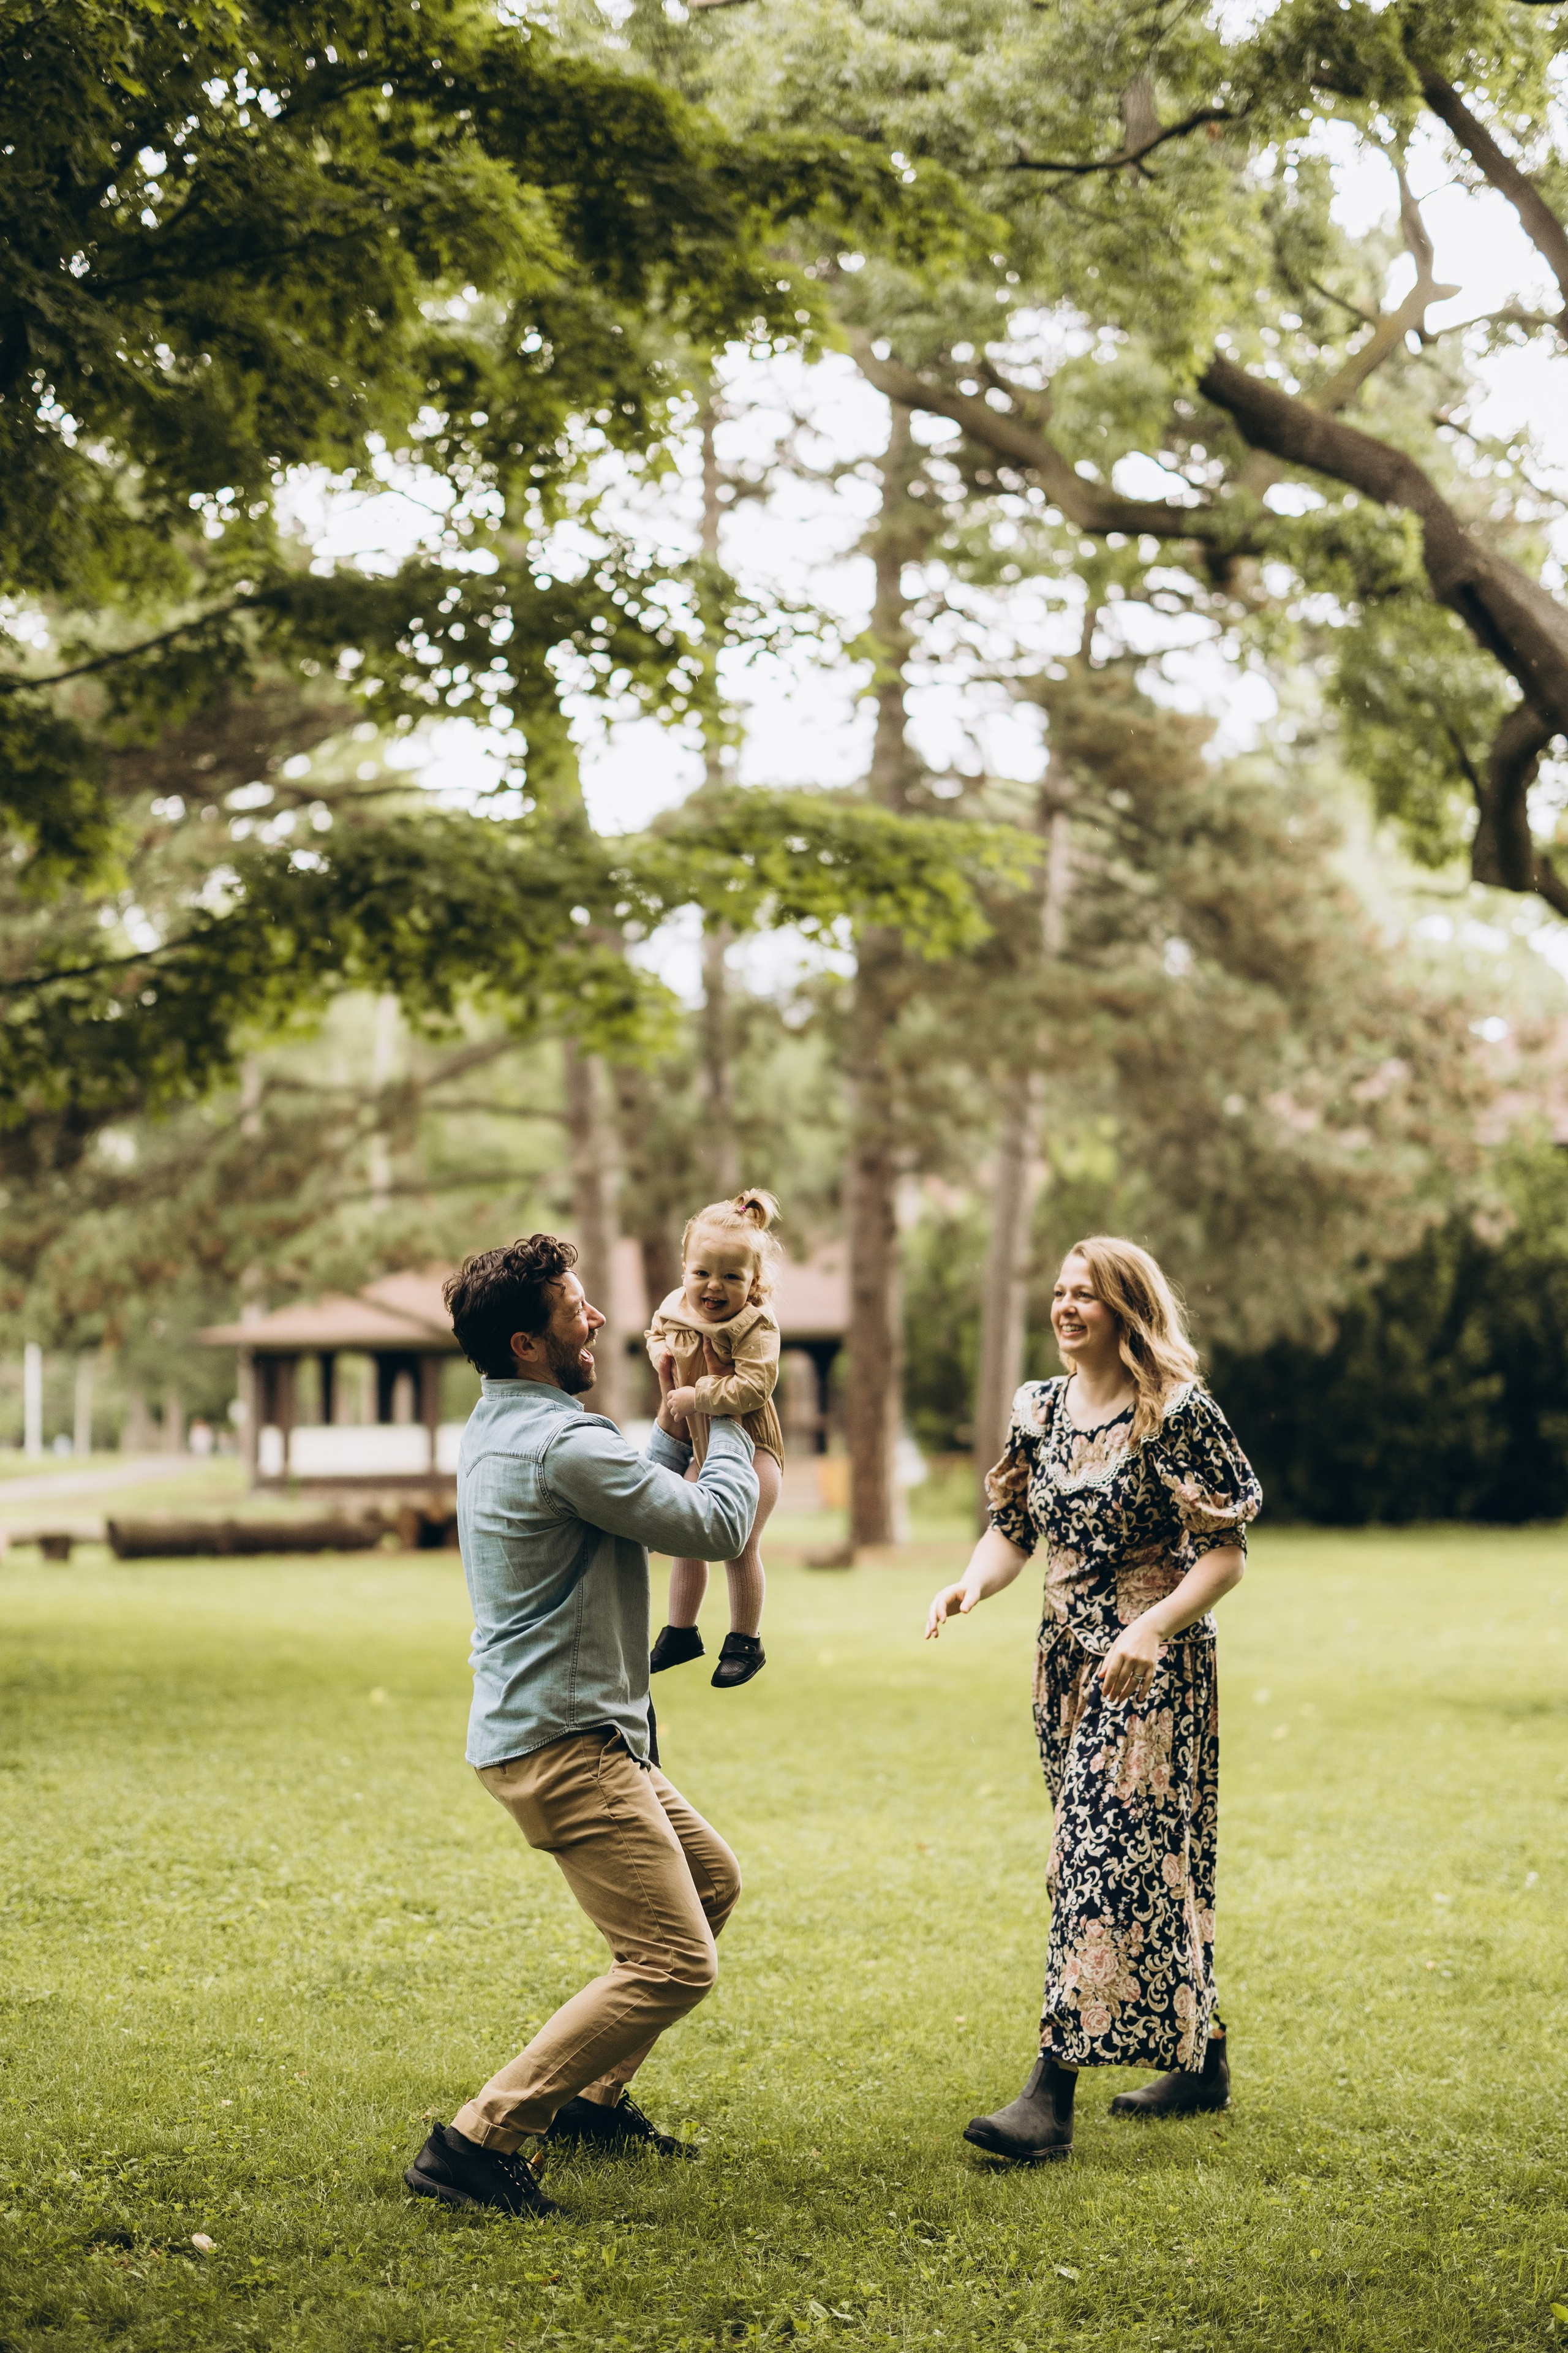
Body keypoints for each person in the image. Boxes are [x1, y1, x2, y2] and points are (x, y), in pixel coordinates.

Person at [404, 1234, 758, 2219]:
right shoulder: (562, 1441)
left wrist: (673, 1421)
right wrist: (724, 1407)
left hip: (566, 1731)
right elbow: (718, 1525)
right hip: (567, 1745)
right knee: (674, 1962)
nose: (597, 1316)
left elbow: (625, 1491)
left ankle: (594, 2105)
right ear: (528, 1342)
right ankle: (476, 2140)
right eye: (575, 1308)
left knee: (712, 1881)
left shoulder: (508, 1423)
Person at [925, 1235, 1261, 2164]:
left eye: (1087, 1294)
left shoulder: (1176, 1412)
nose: (1066, 1307)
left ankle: (1049, 2097)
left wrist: (1149, 1628)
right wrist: (970, 1584)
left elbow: (1226, 1554)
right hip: (1065, 1667)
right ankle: (1203, 2057)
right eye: (1060, 1292)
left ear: (1127, 1310)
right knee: (1128, 1860)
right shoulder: (1038, 1409)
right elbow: (1012, 1530)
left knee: (1094, 1858)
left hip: (1151, 1667)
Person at [644, 1189, 785, 1691]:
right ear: (685, 1267)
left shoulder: (755, 1324)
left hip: (754, 1447)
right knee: (686, 1535)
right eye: (702, 1272)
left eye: (732, 1276)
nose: (714, 1286)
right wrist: (659, 1353)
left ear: (754, 1281)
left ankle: (746, 1640)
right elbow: (657, 1332)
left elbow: (755, 1386)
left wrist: (698, 1395)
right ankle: (681, 1632)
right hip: (701, 1448)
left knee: (739, 1542)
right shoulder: (676, 1307)